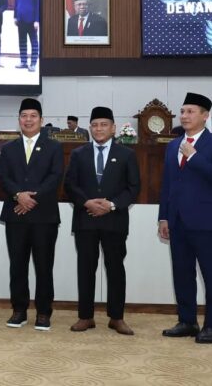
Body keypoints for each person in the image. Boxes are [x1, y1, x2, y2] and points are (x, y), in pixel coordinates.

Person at [159, 92, 212, 344]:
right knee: (182, 273)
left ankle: (211, 326)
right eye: (182, 111)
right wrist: (163, 217)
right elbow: (167, 185)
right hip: (177, 221)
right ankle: (187, 321)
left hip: (206, 222)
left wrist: (193, 156)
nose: (184, 116)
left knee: (211, 274)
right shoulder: (172, 145)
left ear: (205, 115)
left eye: (190, 111)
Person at [65, 107, 140, 335]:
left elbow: (133, 188)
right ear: (90, 128)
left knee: (115, 269)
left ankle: (116, 318)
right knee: (85, 268)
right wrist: (87, 202)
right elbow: (70, 185)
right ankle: (85, 316)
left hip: (114, 220)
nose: (99, 129)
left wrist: (112, 205)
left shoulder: (126, 154)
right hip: (85, 220)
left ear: (113, 128)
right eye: (95, 125)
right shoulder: (78, 154)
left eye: (104, 125)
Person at [0, 98, 63, 331]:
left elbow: (55, 177)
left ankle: (44, 313)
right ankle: (19, 310)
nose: (28, 120)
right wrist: (18, 196)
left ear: (41, 120)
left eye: (33, 116)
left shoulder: (54, 147)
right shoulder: (8, 148)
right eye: (24, 115)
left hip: (44, 216)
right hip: (15, 215)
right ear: (19, 119)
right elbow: (3, 178)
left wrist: (31, 199)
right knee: (17, 265)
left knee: (44, 266)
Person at [14, 0, 40, 72]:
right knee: (22, 41)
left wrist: (37, 20)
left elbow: (38, 5)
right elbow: (16, 3)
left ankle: (33, 64)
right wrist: (15, 16)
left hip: (32, 20)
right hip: (20, 19)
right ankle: (23, 62)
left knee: (34, 42)